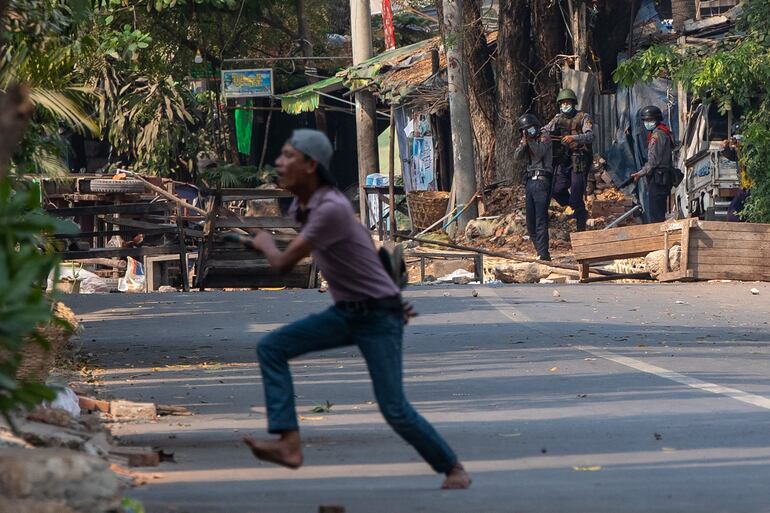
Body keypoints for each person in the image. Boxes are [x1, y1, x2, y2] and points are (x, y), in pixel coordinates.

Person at [242, 129, 471, 490]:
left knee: (394, 408)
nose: (278, 163)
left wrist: (264, 242)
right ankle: (289, 443)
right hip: (351, 312)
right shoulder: (313, 205)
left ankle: (453, 468)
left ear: (311, 165)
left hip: (375, 317)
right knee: (271, 347)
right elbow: (365, 249)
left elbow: (284, 262)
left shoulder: (329, 208)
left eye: (288, 156)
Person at [543, 88, 594, 232]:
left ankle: (581, 224)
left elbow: (590, 136)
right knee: (557, 190)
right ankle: (577, 208)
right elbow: (546, 129)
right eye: (563, 103)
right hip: (564, 159)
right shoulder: (558, 118)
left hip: (579, 160)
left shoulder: (584, 117)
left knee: (576, 195)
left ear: (573, 103)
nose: (565, 105)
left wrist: (574, 138)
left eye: (568, 102)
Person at [514, 113, 553, 261]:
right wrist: (524, 143)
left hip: (542, 180)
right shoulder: (527, 141)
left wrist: (530, 141)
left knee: (540, 220)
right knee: (530, 222)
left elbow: (539, 153)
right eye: (525, 130)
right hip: (530, 181)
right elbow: (516, 158)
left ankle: (543, 253)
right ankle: (539, 250)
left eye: (530, 129)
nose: (529, 132)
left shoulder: (545, 137)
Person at [630, 105, 675, 223]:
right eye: (646, 120)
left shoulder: (657, 135)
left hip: (659, 178)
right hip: (661, 177)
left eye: (650, 120)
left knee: (656, 214)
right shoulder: (662, 132)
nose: (647, 123)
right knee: (658, 212)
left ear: (657, 119)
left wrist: (640, 174)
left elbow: (653, 161)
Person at [722, 124, 751, 222]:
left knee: (733, 213)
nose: (736, 141)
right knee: (733, 213)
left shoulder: (749, 149)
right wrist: (726, 147)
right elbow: (730, 155)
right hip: (744, 188)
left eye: (738, 138)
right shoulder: (738, 151)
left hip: (752, 188)